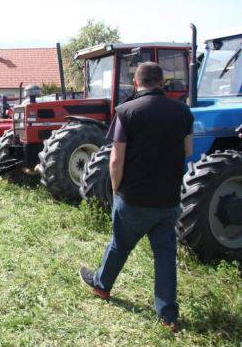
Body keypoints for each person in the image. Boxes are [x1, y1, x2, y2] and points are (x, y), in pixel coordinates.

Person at [79, 62, 193, 332]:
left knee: (120, 244)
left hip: (134, 197)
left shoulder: (125, 111)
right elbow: (187, 150)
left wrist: (117, 189)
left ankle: (102, 286)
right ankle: (168, 316)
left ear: (136, 83)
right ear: (162, 82)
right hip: (168, 198)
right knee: (164, 255)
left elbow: (115, 159)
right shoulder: (182, 111)